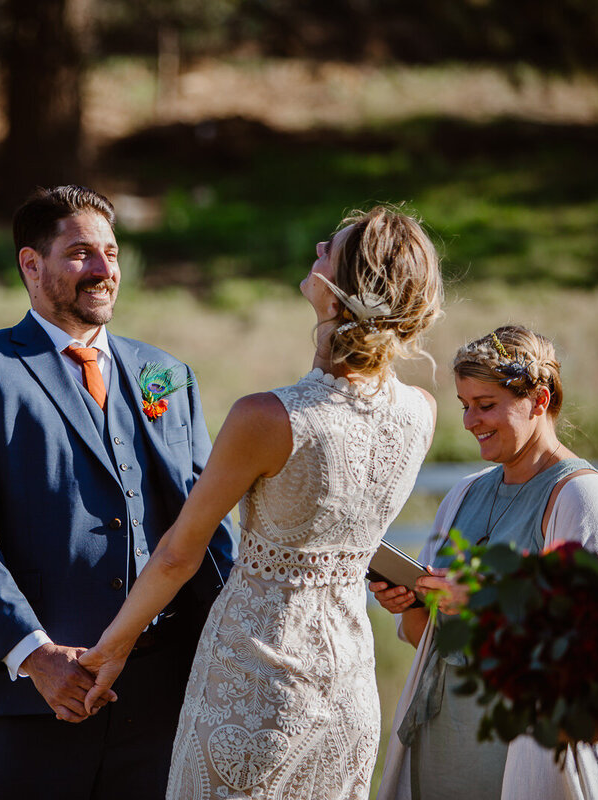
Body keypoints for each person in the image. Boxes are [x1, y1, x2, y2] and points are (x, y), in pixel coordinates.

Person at [79, 205, 444, 800]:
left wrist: (112, 647)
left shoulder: (268, 417)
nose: (320, 243)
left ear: (337, 292)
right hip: (351, 686)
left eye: (335, 247)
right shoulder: (420, 413)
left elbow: (178, 552)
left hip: (257, 685)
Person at [0, 185, 237, 800]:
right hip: (32, 697)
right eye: (81, 253)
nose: (104, 270)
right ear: (30, 264)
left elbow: (206, 525)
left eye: (112, 253)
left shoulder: (166, 374)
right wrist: (37, 656)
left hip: (159, 695)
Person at [373, 325, 598, 800]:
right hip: (440, 745)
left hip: (523, 755)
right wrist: (412, 602)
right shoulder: (464, 494)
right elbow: (427, 640)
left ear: (539, 400)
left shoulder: (581, 496)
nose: (469, 420)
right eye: (464, 404)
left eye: (486, 404)